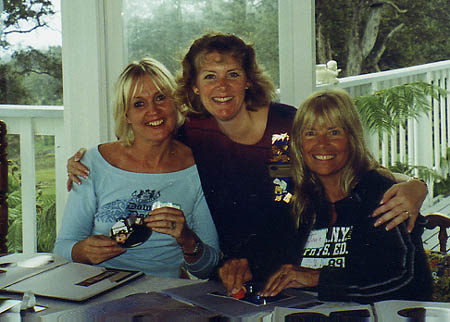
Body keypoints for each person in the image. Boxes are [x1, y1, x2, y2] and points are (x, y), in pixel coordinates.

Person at [66, 33, 428, 295]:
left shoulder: (283, 130)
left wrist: (413, 186)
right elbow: (147, 145)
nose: (221, 87)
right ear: (193, 86)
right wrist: (87, 162)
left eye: (233, 75)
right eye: (209, 76)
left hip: (291, 261)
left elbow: (340, 161)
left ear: (248, 81)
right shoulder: (195, 131)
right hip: (227, 268)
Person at [260, 89, 433, 303]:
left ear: (352, 138)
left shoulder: (381, 194)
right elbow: (273, 257)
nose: (322, 144)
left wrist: (318, 278)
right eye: (310, 133)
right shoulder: (299, 199)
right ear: (299, 143)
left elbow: (400, 278)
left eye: (334, 132)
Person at [54, 58, 220, 279]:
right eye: (139, 104)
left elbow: (208, 267)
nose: (154, 111)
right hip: (98, 291)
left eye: (160, 98)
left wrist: (188, 240)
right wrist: (82, 251)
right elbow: (62, 248)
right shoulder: (92, 163)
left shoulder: (198, 168)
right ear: (126, 115)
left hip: (164, 297)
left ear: (175, 103)